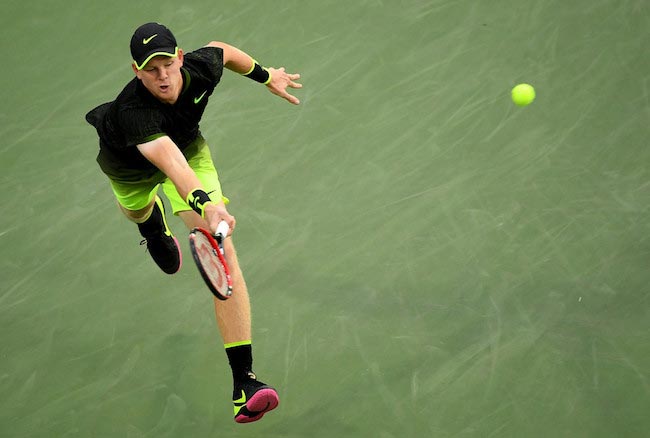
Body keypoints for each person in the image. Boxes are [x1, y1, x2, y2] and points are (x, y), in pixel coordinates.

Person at [85, 22, 301, 424]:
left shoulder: (201, 68)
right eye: (151, 69)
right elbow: (169, 165)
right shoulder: (132, 111)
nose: (162, 75)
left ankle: (244, 384)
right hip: (131, 167)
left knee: (223, 253)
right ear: (137, 71)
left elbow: (224, 49)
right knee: (136, 209)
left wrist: (267, 75)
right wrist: (204, 202)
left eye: (167, 63)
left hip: (188, 151)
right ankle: (150, 225)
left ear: (180, 57)